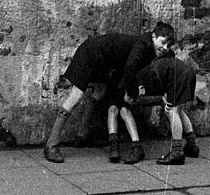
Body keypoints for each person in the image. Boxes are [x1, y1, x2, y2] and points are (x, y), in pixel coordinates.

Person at [44, 22, 174, 163]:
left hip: (102, 61)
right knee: (76, 96)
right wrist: (131, 94)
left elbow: (125, 68)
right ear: (153, 36)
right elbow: (130, 67)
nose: (165, 48)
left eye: (169, 45)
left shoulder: (149, 48)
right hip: (89, 54)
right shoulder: (143, 44)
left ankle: (81, 136)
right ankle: (51, 144)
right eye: (163, 42)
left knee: (99, 92)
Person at [136, 52, 199, 165]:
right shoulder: (154, 64)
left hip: (178, 77)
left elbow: (148, 95)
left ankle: (177, 152)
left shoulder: (144, 74)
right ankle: (192, 146)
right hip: (187, 72)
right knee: (178, 110)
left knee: (172, 111)